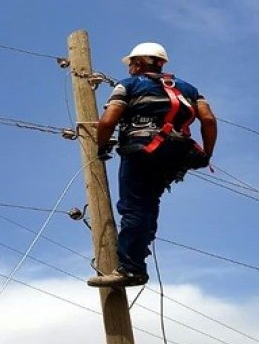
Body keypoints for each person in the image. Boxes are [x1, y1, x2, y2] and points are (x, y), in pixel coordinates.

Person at [87, 42, 217, 288]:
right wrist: (207, 154)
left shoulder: (129, 85)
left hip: (143, 150)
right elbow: (208, 119)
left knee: (134, 207)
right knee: (148, 204)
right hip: (178, 153)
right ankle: (138, 252)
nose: (129, 69)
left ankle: (131, 269)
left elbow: (107, 122)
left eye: (131, 64)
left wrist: (102, 146)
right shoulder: (188, 89)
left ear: (138, 63)